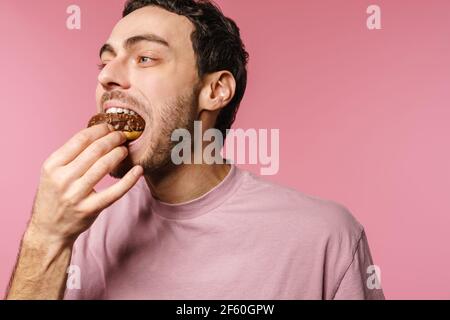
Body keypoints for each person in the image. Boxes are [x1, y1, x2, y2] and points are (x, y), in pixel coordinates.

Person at [6, 0, 384, 300]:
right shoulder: (81, 229)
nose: (107, 76)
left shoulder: (324, 239)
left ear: (215, 91)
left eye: (145, 58)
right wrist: (46, 237)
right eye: (106, 61)